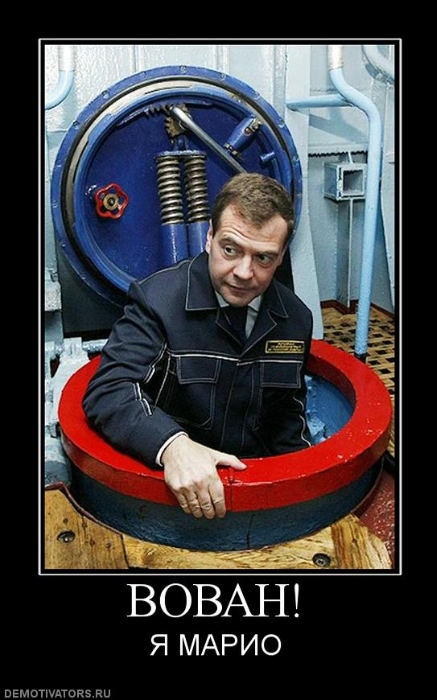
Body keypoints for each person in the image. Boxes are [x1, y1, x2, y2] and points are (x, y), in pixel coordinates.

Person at [83, 173, 313, 521]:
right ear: (209, 237)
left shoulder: (295, 320)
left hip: (252, 493)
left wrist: (302, 491)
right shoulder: (157, 301)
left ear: (281, 256)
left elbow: (287, 417)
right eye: (230, 249)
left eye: (264, 258)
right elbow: (109, 390)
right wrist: (172, 445)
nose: (244, 272)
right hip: (168, 493)